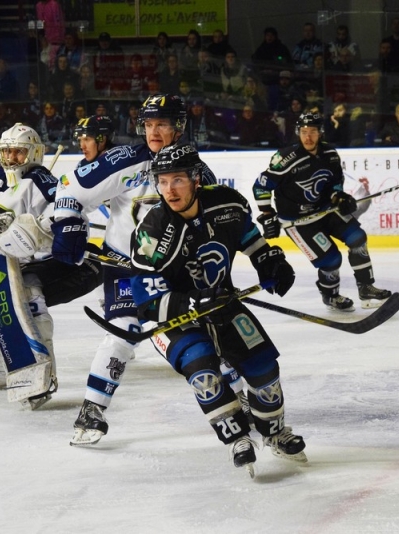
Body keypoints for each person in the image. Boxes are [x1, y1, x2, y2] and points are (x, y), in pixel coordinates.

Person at [50, 95, 228, 446]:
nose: (154, 131)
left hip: (174, 270)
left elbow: (209, 225)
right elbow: (70, 188)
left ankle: (239, 399)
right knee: (123, 330)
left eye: (162, 124)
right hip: (126, 267)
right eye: (148, 124)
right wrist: (68, 224)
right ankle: (92, 408)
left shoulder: (197, 171)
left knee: (209, 332)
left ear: (179, 127)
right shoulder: (126, 160)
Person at [130, 143, 304, 475]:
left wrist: (269, 262)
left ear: (196, 180)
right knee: (204, 373)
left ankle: (274, 432)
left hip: (221, 302)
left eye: (178, 180)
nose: (169, 190)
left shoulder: (227, 204)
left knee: (264, 369)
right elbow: (146, 299)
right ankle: (236, 438)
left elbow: (250, 239)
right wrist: (189, 301)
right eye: (163, 181)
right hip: (172, 319)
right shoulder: (152, 231)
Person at [0, 123, 104, 409]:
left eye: (19, 152)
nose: (12, 158)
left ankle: (41, 378)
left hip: (40, 265)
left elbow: (69, 220)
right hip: (0, 266)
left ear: (34, 153)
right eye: (7, 151)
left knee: (31, 302)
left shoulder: (43, 181)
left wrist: (39, 229)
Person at [253, 111, 392, 311]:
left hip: (325, 210)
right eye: (304, 132)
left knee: (357, 238)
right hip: (298, 221)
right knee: (331, 260)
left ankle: (366, 287)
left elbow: (334, 183)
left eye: (312, 132)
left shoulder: (330, 154)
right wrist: (267, 215)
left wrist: (339, 197)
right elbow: (261, 186)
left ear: (320, 133)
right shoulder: (285, 158)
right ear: (298, 133)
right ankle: (331, 296)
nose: (308, 137)